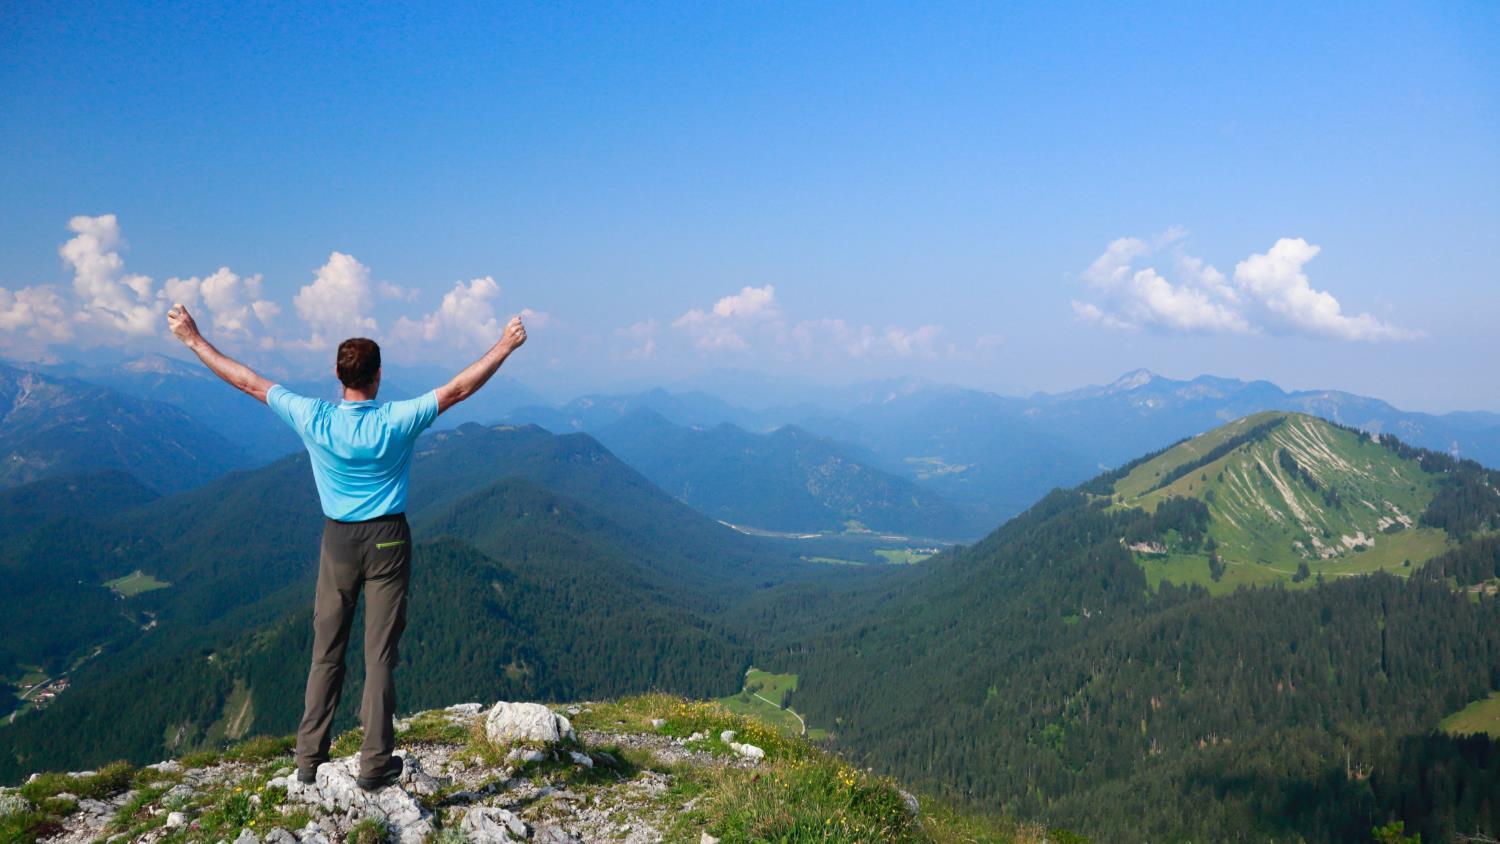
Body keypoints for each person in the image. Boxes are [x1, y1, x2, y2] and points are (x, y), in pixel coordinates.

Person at [167, 303, 527, 789]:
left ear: (338, 376)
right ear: (378, 377)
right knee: (379, 656)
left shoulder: (313, 416)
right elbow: (460, 388)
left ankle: (308, 760)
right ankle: (375, 762)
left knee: (326, 651)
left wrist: (193, 340)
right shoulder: (396, 420)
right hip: (388, 540)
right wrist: (504, 344)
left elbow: (247, 381)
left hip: (337, 541)